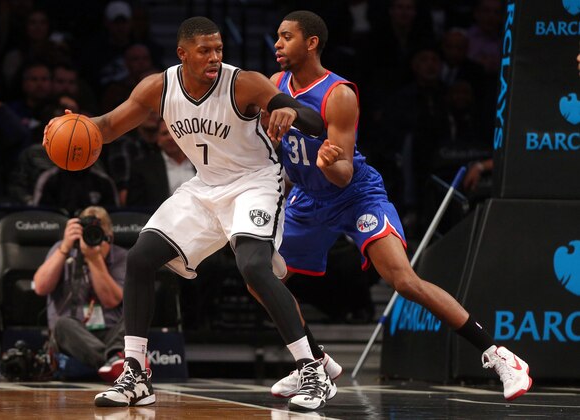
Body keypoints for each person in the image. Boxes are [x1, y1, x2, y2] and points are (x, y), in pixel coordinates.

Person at [44, 17, 330, 411]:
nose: (214, 57)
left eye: (218, 49)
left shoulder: (243, 82)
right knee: (142, 258)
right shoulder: (158, 87)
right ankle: (135, 374)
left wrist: (292, 113)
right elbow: (108, 126)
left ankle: (311, 369)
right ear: (182, 53)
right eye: (205, 51)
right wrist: (72, 126)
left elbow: (316, 122)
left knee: (253, 267)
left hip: (255, 182)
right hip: (205, 186)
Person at [258, 10, 532, 403]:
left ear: (312, 43)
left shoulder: (339, 94)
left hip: (354, 194)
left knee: (403, 280)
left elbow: (344, 172)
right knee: (262, 277)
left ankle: (499, 355)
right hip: (308, 197)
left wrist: (328, 162)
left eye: (286, 37)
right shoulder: (275, 84)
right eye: (277, 37)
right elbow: (286, 155)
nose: (277, 44)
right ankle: (314, 363)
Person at [32, 206, 128, 382]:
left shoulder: (122, 256)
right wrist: (64, 247)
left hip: (110, 337)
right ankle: (113, 363)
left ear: (110, 238)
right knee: (62, 325)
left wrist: (94, 259)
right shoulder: (62, 248)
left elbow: (112, 301)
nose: (93, 242)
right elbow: (40, 287)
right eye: (88, 235)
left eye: (98, 236)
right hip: (72, 338)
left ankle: (113, 358)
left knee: (133, 313)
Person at [126, 118, 195, 210]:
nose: (170, 137)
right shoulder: (142, 168)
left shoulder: (202, 163)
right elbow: (135, 210)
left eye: (174, 132)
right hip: (160, 221)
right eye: (165, 133)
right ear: (158, 139)